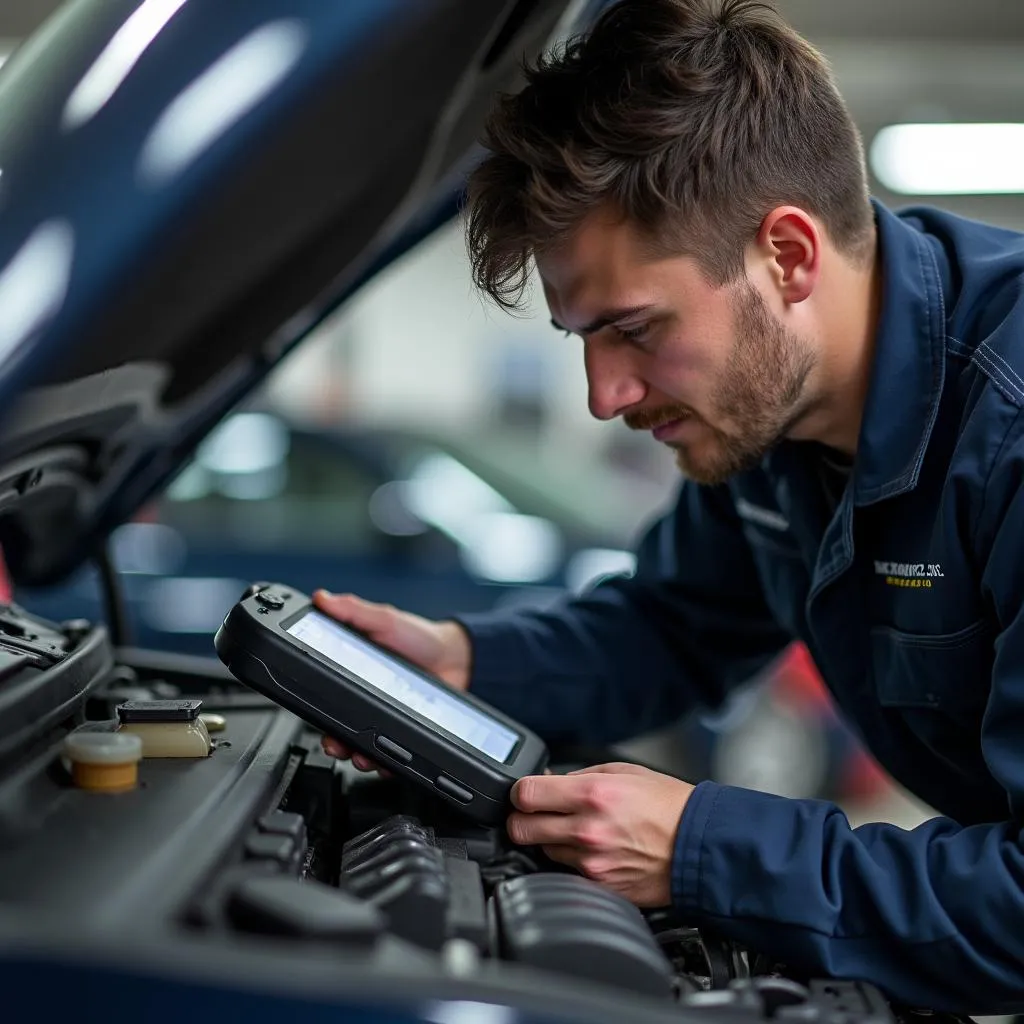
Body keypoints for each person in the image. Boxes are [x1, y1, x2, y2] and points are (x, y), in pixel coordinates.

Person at [317, 0, 1024, 1012]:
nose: (603, 396)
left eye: (635, 330)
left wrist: (701, 849)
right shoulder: (770, 416)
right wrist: (463, 666)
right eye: (582, 340)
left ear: (785, 256)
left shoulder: (1008, 428)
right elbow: (670, 625)